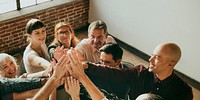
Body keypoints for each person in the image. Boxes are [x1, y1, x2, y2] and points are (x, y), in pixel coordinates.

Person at [67, 43, 193, 100]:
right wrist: (86, 65)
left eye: (157, 57)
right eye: (152, 55)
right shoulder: (140, 72)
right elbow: (113, 73)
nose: (150, 59)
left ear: (171, 63)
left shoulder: (184, 92)